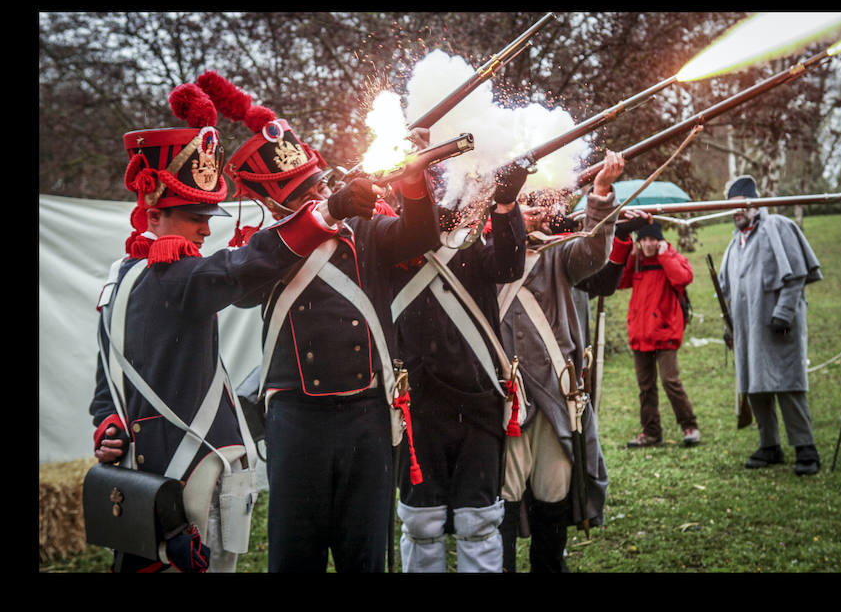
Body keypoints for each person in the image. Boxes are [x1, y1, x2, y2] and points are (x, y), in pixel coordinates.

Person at [88, 82, 339, 573]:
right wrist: (323, 214)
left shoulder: (118, 281)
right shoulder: (172, 274)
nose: (206, 229)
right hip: (192, 471)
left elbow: (106, 390)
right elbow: (243, 266)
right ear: (154, 214)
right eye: (194, 217)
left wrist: (110, 425)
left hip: (146, 474)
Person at [197, 70, 441, 571]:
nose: (313, 195)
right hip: (297, 417)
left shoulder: (366, 228)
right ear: (269, 202)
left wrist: (414, 181)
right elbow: (241, 292)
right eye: (299, 192)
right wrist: (320, 215)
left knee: (365, 552)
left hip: (367, 410)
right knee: (296, 554)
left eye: (314, 186)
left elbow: (420, 237)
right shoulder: (262, 246)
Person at [390, 168, 527, 573]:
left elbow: (508, 266)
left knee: (479, 521)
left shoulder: (472, 244)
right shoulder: (392, 244)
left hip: (477, 399)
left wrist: (505, 205)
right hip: (418, 404)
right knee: (421, 524)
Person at [496, 150, 625, 573]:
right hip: (506, 401)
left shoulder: (559, 254)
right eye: (524, 203)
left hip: (555, 396)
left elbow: (593, 253)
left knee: (553, 494)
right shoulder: (487, 255)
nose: (534, 212)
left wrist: (602, 192)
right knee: (504, 500)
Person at [718, 175, 823, 476]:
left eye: (741, 207)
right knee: (754, 386)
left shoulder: (776, 226)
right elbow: (728, 291)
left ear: (754, 204)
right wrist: (730, 327)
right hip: (746, 329)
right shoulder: (733, 243)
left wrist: (783, 314)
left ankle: (806, 449)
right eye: (732, 208)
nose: (736, 213)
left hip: (778, 324)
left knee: (788, 384)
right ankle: (769, 446)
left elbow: (796, 274)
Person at [617, 221, 701, 448]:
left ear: (660, 240)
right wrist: (629, 256)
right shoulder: (636, 261)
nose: (648, 244)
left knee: (670, 381)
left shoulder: (671, 257)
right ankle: (651, 432)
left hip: (665, 332)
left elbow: (683, 278)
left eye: (652, 239)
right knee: (645, 387)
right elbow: (618, 282)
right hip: (640, 332)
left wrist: (665, 256)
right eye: (643, 240)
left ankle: (689, 426)